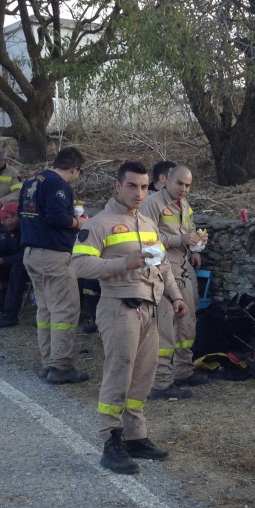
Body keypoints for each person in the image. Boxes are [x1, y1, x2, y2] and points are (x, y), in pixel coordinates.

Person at [70, 160, 188, 475]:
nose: (139, 193)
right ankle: (111, 440)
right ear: (118, 186)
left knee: (143, 375)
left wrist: (175, 297)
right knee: (119, 373)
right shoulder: (98, 224)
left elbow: (162, 265)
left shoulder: (149, 225)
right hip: (118, 306)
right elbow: (80, 266)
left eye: (144, 187)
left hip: (150, 308)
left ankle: (135, 436)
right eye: (132, 186)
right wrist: (124, 262)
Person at [19, 146, 88, 384]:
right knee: (64, 311)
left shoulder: (31, 181)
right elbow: (56, 216)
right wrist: (78, 222)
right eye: (79, 173)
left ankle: (48, 362)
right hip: (54, 255)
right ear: (74, 168)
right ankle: (61, 366)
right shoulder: (58, 184)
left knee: (45, 310)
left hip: (31, 252)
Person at [140, 164, 209, 399]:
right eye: (179, 183)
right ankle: (160, 382)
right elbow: (146, 238)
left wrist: (196, 244)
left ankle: (183, 371)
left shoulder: (184, 204)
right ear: (167, 180)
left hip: (182, 267)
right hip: (161, 270)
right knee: (165, 328)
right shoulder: (153, 203)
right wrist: (178, 239)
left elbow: (189, 229)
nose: (183, 189)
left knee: (187, 323)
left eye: (188, 185)